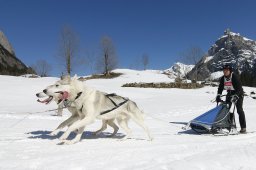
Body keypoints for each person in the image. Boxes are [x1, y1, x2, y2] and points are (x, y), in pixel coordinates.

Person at [216, 64, 246, 134]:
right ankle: (228, 125)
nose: (225, 71)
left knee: (239, 110)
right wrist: (218, 95)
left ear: (230, 71)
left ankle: (243, 127)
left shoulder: (234, 77)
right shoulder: (223, 78)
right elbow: (220, 88)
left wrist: (236, 96)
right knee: (227, 109)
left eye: (227, 70)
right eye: (224, 70)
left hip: (239, 94)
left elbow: (239, 88)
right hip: (230, 93)